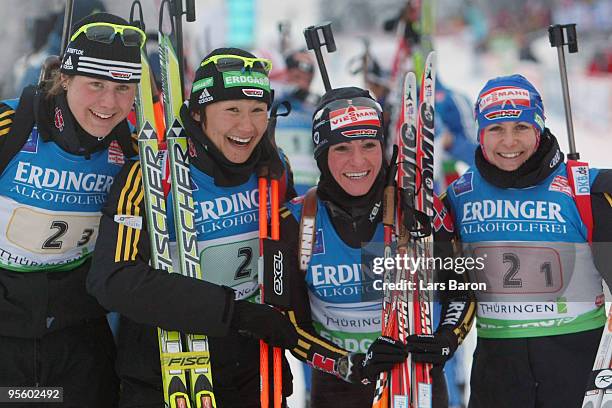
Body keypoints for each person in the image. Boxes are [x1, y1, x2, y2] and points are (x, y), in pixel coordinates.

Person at [87, 47, 300, 407]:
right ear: (198, 114)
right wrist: (232, 311)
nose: (246, 127)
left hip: (251, 371)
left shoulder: (273, 169)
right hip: (165, 374)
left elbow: (290, 259)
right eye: (232, 110)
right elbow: (112, 279)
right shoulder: (153, 174)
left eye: (258, 111)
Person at [417, 74, 612, 407]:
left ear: (538, 129)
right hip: (498, 372)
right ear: (480, 133)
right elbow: (452, 286)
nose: (509, 142)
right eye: (496, 129)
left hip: (580, 366)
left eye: (520, 127)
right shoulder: (459, 198)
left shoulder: (586, 191)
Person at [268, 86, 460, 407]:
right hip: (338, 390)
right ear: (321, 155)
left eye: (369, 145)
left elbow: (460, 292)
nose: (357, 160)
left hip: (415, 383)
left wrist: (446, 340)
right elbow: (290, 325)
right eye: (341, 148)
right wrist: (348, 363)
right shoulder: (294, 221)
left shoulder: (420, 210)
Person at [0, 12, 144, 407]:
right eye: (95, 84)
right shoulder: (11, 125)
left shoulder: (131, 149)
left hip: (77, 332)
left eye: (122, 88)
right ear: (65, 79)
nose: (108, 102)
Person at [274, 49, 321, 195]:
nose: (301, 84)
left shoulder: (318, 108)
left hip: (310, 192)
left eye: (307, 79)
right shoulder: (271, 106)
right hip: (277, 187)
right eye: (296, 77)